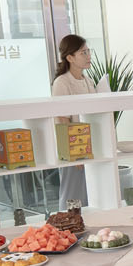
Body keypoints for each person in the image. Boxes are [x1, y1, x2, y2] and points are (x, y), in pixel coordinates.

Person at [50, 33, 101, 207]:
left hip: (89, 146)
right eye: (83, 53)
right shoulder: (62, 83)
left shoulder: (88, 81)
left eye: (88, 51)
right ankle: (66, 222)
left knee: (91, 192)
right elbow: (63, 120)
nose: (88, 56)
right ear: (70, 57)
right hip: (72, 148)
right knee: (72, 193)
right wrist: (75, 153)